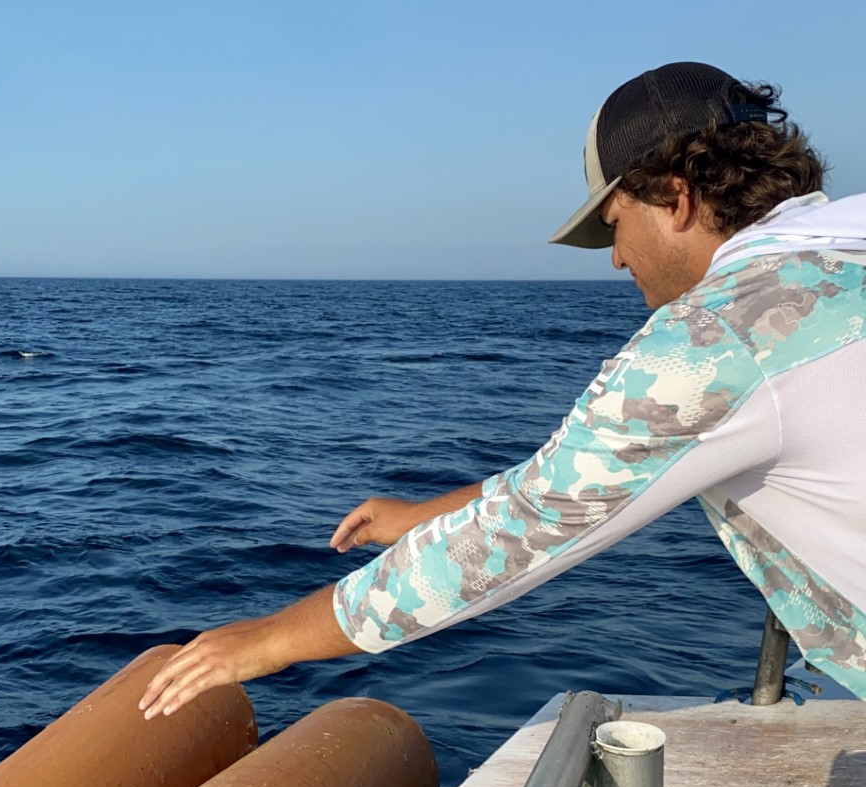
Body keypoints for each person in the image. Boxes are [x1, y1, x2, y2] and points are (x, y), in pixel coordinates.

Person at [140, 60, 866, 721]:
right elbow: (567, 484)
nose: (616, 259)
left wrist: (267, 641)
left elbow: (518, 534)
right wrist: (425, 515)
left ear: (675, 198)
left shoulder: (719, 336)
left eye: (614, 224)